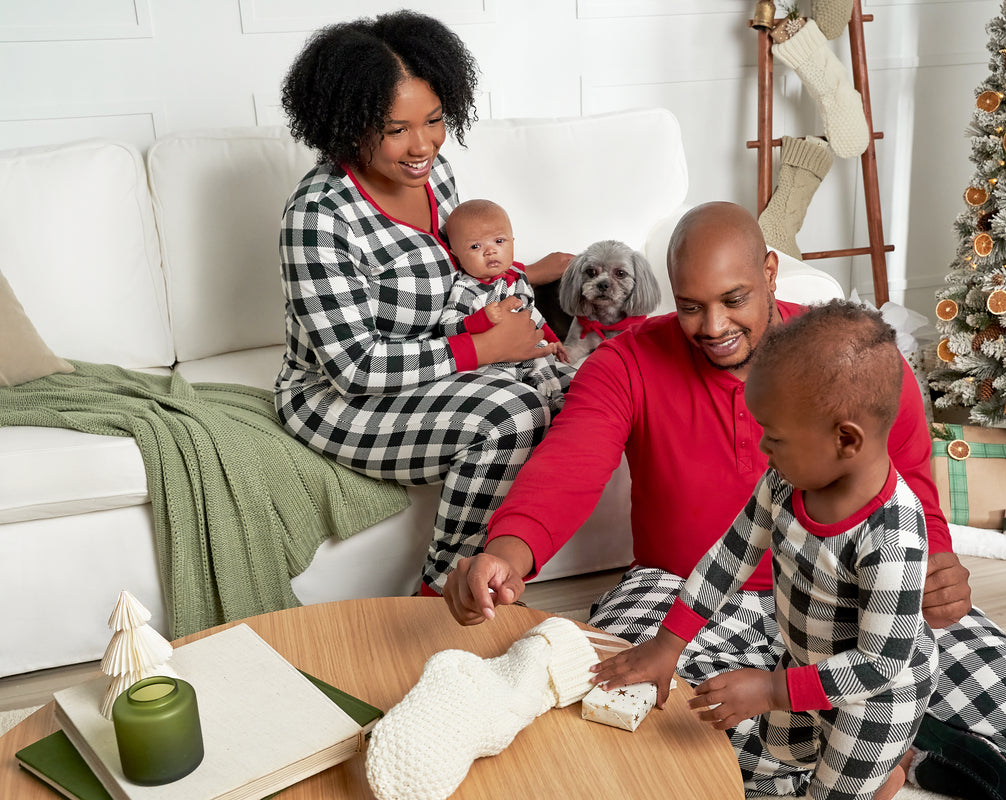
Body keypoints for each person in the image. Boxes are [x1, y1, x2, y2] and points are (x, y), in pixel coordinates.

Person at [444, 202, 1006, 800]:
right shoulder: (629, 360)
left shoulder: (856, 363)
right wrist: (509, 550)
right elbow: (570, 466)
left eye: (734, 299)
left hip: (861, 596)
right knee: (633, 722)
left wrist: (939, 564)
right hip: (682, 591)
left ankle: (903, 742)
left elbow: (915, 495)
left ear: (771, 272)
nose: (712, 328)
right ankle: (891, 753)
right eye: (692, 306)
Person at [273, 10, 572, 595]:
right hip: (334, 397)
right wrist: (483, 348)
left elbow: (467, 271)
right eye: (395, 129)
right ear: (348, 124)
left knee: (569, 387)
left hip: (436, 368)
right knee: (510, 414)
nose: (422, 145)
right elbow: (353, 367)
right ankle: (442, 589)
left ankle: (494, 575)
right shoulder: (318, 217)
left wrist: (522, 298)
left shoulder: (436, 178)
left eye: (434, 120)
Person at [593, 300, 936, 800]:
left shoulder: (894, 536)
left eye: (773, 438)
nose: (762, 450)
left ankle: (886, 771)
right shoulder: (785, 480)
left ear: (845, 440)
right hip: (801, 659)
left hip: (873, 701)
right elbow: (729, 557)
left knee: (830, 790)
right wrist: (669, 645)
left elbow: (881, 664)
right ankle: (883, 773)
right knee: (777, 759)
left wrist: (772, 690)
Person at [440, 199, 574, 412]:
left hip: (527, 350)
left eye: (499, 241)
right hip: (492, 362)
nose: (490, 251)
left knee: (547, 363)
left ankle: (555, 400)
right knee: (504, 389)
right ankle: (536, 404)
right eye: (476, 246)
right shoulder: (466, 289)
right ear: (455, 253)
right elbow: (447, 325)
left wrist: (553, 339)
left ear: (513, 240)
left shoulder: (517, 277)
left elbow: (531, 315)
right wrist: (480, 320)